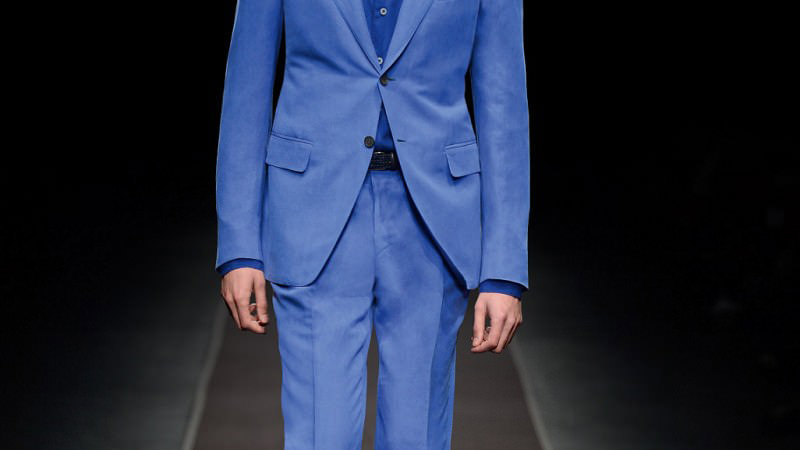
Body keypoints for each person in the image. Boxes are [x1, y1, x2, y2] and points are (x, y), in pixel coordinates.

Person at [215, 0, 530, 447]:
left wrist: (504, 271)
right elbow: (246, 85)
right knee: (321, 436)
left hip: (433, 218)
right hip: (314, 210)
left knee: (415, 437)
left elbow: (504, 103)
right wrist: (240, 246)